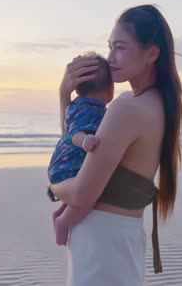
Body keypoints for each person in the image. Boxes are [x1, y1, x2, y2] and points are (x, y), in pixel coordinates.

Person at [48, 4, 182, 285]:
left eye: (120, 47)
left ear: (151, 53)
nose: (110, 58)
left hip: (101, 238)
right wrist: (65, 96)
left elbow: (83, 192)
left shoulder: (127, 108)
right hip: (124, 235)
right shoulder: (159, 104)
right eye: (109, 47)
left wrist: (51, 189)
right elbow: (78, 152)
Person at [47, 53, 114, 246]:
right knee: (89, 198)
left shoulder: (74, 106)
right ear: (110, 91)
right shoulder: (91, 110)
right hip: (67, 168)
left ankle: (60, 213)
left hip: (63, 163)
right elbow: (75, 133)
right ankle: (63, 221)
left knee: (79, 195)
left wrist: (63, 95)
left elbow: (67, 131)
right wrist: (85, 141)